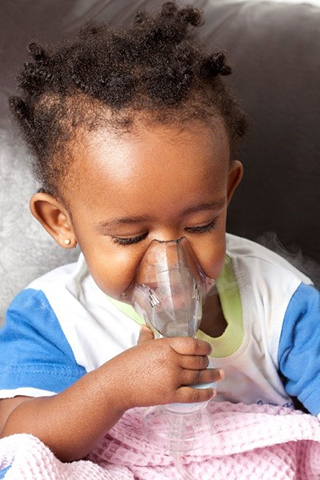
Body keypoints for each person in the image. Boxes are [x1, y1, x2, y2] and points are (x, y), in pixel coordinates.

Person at [0, 0, 319, 465]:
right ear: (60, 222)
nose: (170, 264)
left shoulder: (279, 300)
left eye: (200, 225)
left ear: (227, 193)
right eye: (130, 237)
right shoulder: (53, 315)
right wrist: (111, 390)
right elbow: (16, 438)